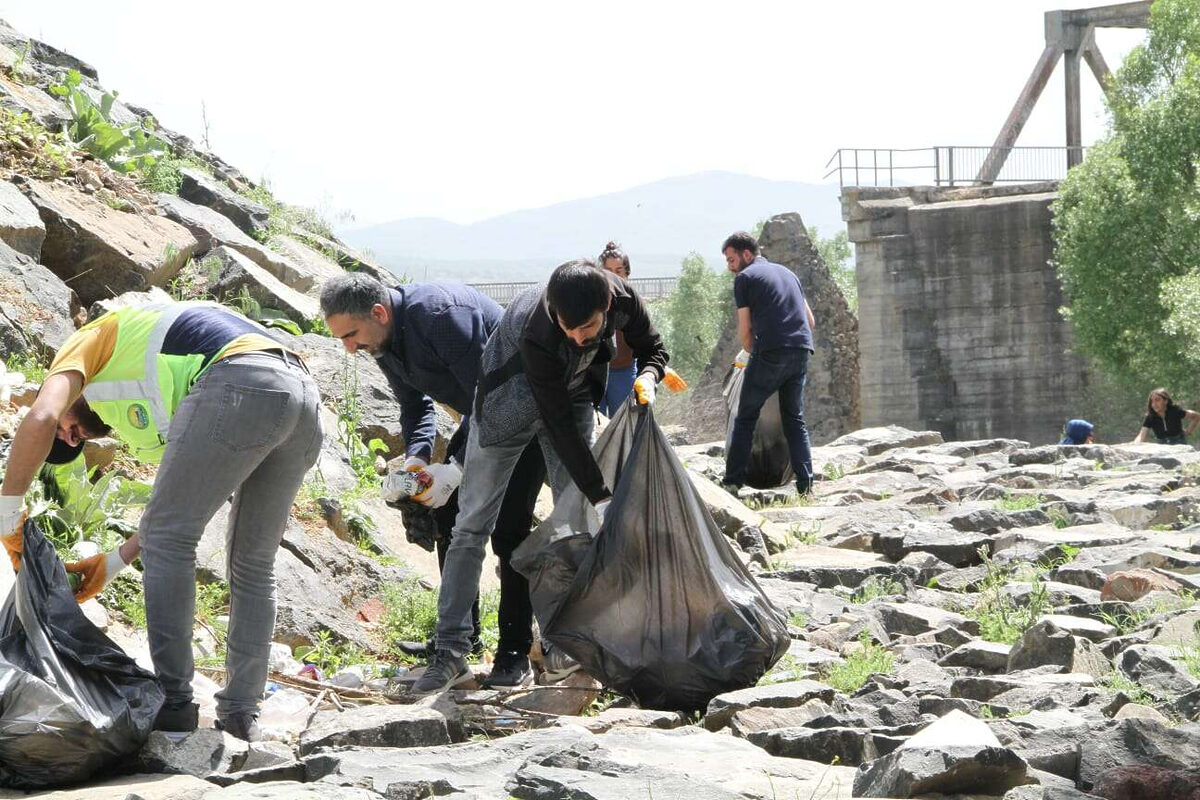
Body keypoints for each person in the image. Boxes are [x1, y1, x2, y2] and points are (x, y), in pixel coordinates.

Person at [0, 299, 322, 742]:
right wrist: (113, 563)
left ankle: (173, 701)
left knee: (182, 545)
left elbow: (42, 415)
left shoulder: (91, 339)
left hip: (242, 378)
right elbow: (172, 507)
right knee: (252, 562)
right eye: (73, 440)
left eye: (68, 428)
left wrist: (6, 515)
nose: (72, 433)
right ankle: (240, 714)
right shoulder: (144, 408)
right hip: (302, 395)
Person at [412, 260, 669, 695]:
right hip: (504, 408)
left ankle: (566, 647)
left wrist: (648, 375)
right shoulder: (539, 329)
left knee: (574, 528)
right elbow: (559, 431)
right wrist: (602, 498)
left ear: (607, 304)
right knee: (471, 526)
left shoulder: (624, 299)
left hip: (571, 396)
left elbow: (653, 347)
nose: (578, 337)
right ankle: (451, 651)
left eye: (587, 329)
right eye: (569, 330)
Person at [320, 274, 546, 689]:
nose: (349, 349)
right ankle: (459, 640)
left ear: (379, 312)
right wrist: (418, 462)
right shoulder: (384, 341)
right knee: (446, 515)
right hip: (483, 416)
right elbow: (414, 404)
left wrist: (457, 467)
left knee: (508, 529)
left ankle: (514, 652)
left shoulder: (441, 317)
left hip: (525, 413)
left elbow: (490, 393)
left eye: (351, 335)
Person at [720, 231, 817, 496]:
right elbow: (810, 322)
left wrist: (751, 353)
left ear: (747, 254)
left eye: (731, 260)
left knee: (745, 415)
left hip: (770, 352)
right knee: (794, 418)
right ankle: (806, 484)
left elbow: (745, 330)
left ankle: (732, 481)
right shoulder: (789, 274)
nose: (730, 267)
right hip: (801, 349)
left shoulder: (745, 278)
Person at [597, 241, 637, 417]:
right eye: (608, 272)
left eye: (619, 271)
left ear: (627, 274)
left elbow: (647, 341)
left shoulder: (635, 305)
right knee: (595, 428)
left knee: (622, 426)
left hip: (623, 372)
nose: (613, 276)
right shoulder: (593, 304)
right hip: (595, 372)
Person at [1132, 388, 1199, 445]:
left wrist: (1188, 431)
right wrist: (1136, 444)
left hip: (1179, 443)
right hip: (1162, 446)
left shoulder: (1175, 411)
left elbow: (1197, 416)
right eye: (1152, 401)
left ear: (1166, 401)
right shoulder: (1151, 417)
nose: (1154, 404)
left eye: (1157, 400)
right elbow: (1142, 434)